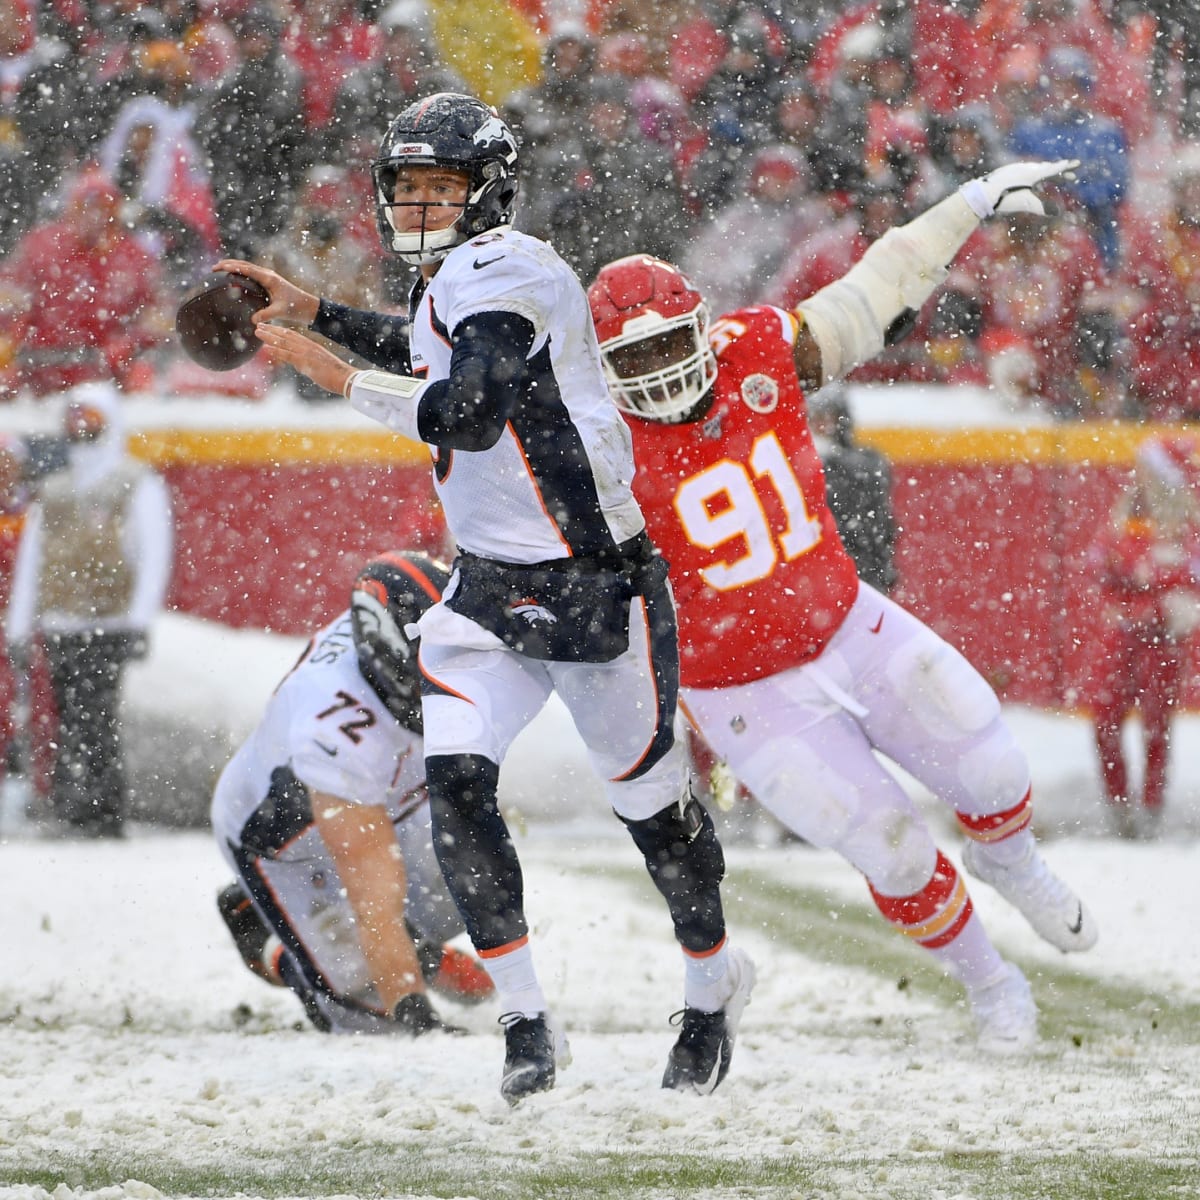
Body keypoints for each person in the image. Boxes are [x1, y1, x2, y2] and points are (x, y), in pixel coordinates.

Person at [216, 92, 752, 1103]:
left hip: (597, 588)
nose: (417, 207)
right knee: (460, 781)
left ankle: (711, 986)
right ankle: (524, 1022)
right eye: (405, 188)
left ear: (487, 193)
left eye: (439, 189)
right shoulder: (458, 277)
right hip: (491, 593)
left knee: (654, 812)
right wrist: (317, 309)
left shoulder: (505, 267)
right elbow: (433, 354)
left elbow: (469, 412)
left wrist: (331, 374)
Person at [586, 158, 1100, 1053]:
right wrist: (341, 358)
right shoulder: (594, 439)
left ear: (702, 326)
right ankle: (992, 984)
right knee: (889, 846)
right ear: (605, 368)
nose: (665, 368)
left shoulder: (756, 351)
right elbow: (450, 417)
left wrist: (968, 204)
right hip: (742, 688)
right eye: (640, 357)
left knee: (993, 765)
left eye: (674, 342)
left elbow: (877, 287)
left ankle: (1010, 861)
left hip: (845, 619)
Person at [212, 550, 495, 1034]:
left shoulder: (415, 629)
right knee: (367, 1021)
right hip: (288, 842)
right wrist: (419, 1022)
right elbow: (375, 904)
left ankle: (413, 951)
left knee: (478, 885)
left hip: (391, 796)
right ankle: (267, 936)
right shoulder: (337, 736)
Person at [4, 384, 173, 838]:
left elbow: (153, 554)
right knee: (65, 716)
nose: (81, 430)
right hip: (61, 621)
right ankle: (70, 805)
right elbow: (33, 562)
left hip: (110, 621)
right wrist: (20, 626)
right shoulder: (55, 490)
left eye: (90, 420)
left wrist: (140, 620)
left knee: (97, 717)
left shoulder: (136, 481)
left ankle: (102, 810)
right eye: (75, 421)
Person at [1083, 437, 1200, 839]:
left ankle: (1150, 807)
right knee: (1105, 718)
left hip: (1163, 640)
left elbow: (1186, 581)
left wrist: (1147, 587)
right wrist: (1146, 587)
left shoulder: (1187, 525)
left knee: (1156, 724)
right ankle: (1119, 805)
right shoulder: (1124, 516)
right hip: (1122, 634)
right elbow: (1100, 566)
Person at [806, 384, 897, 596]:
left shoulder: (865, 467)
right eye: (814, 417)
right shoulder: (790, 469)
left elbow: (879, 533)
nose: (821, 425)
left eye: (827, 416)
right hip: (812, 585)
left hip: (857, 578)